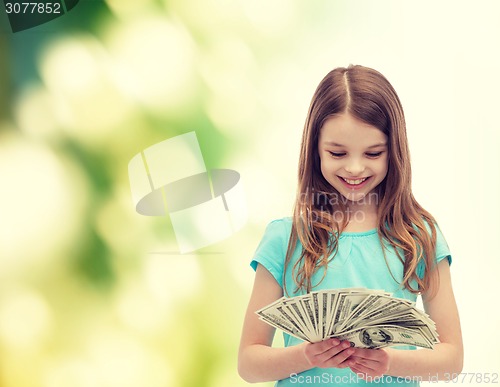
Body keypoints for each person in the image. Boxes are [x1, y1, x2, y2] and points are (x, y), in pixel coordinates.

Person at [238, 65, 463, 386]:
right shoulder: (285, 238)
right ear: (315, 149)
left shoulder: (419, 237)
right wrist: (305, 355)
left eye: (373, 153)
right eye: (337, 152)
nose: (355, 167)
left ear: (394, 151)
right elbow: (249, 363)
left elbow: (451, 360)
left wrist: (388, 361)